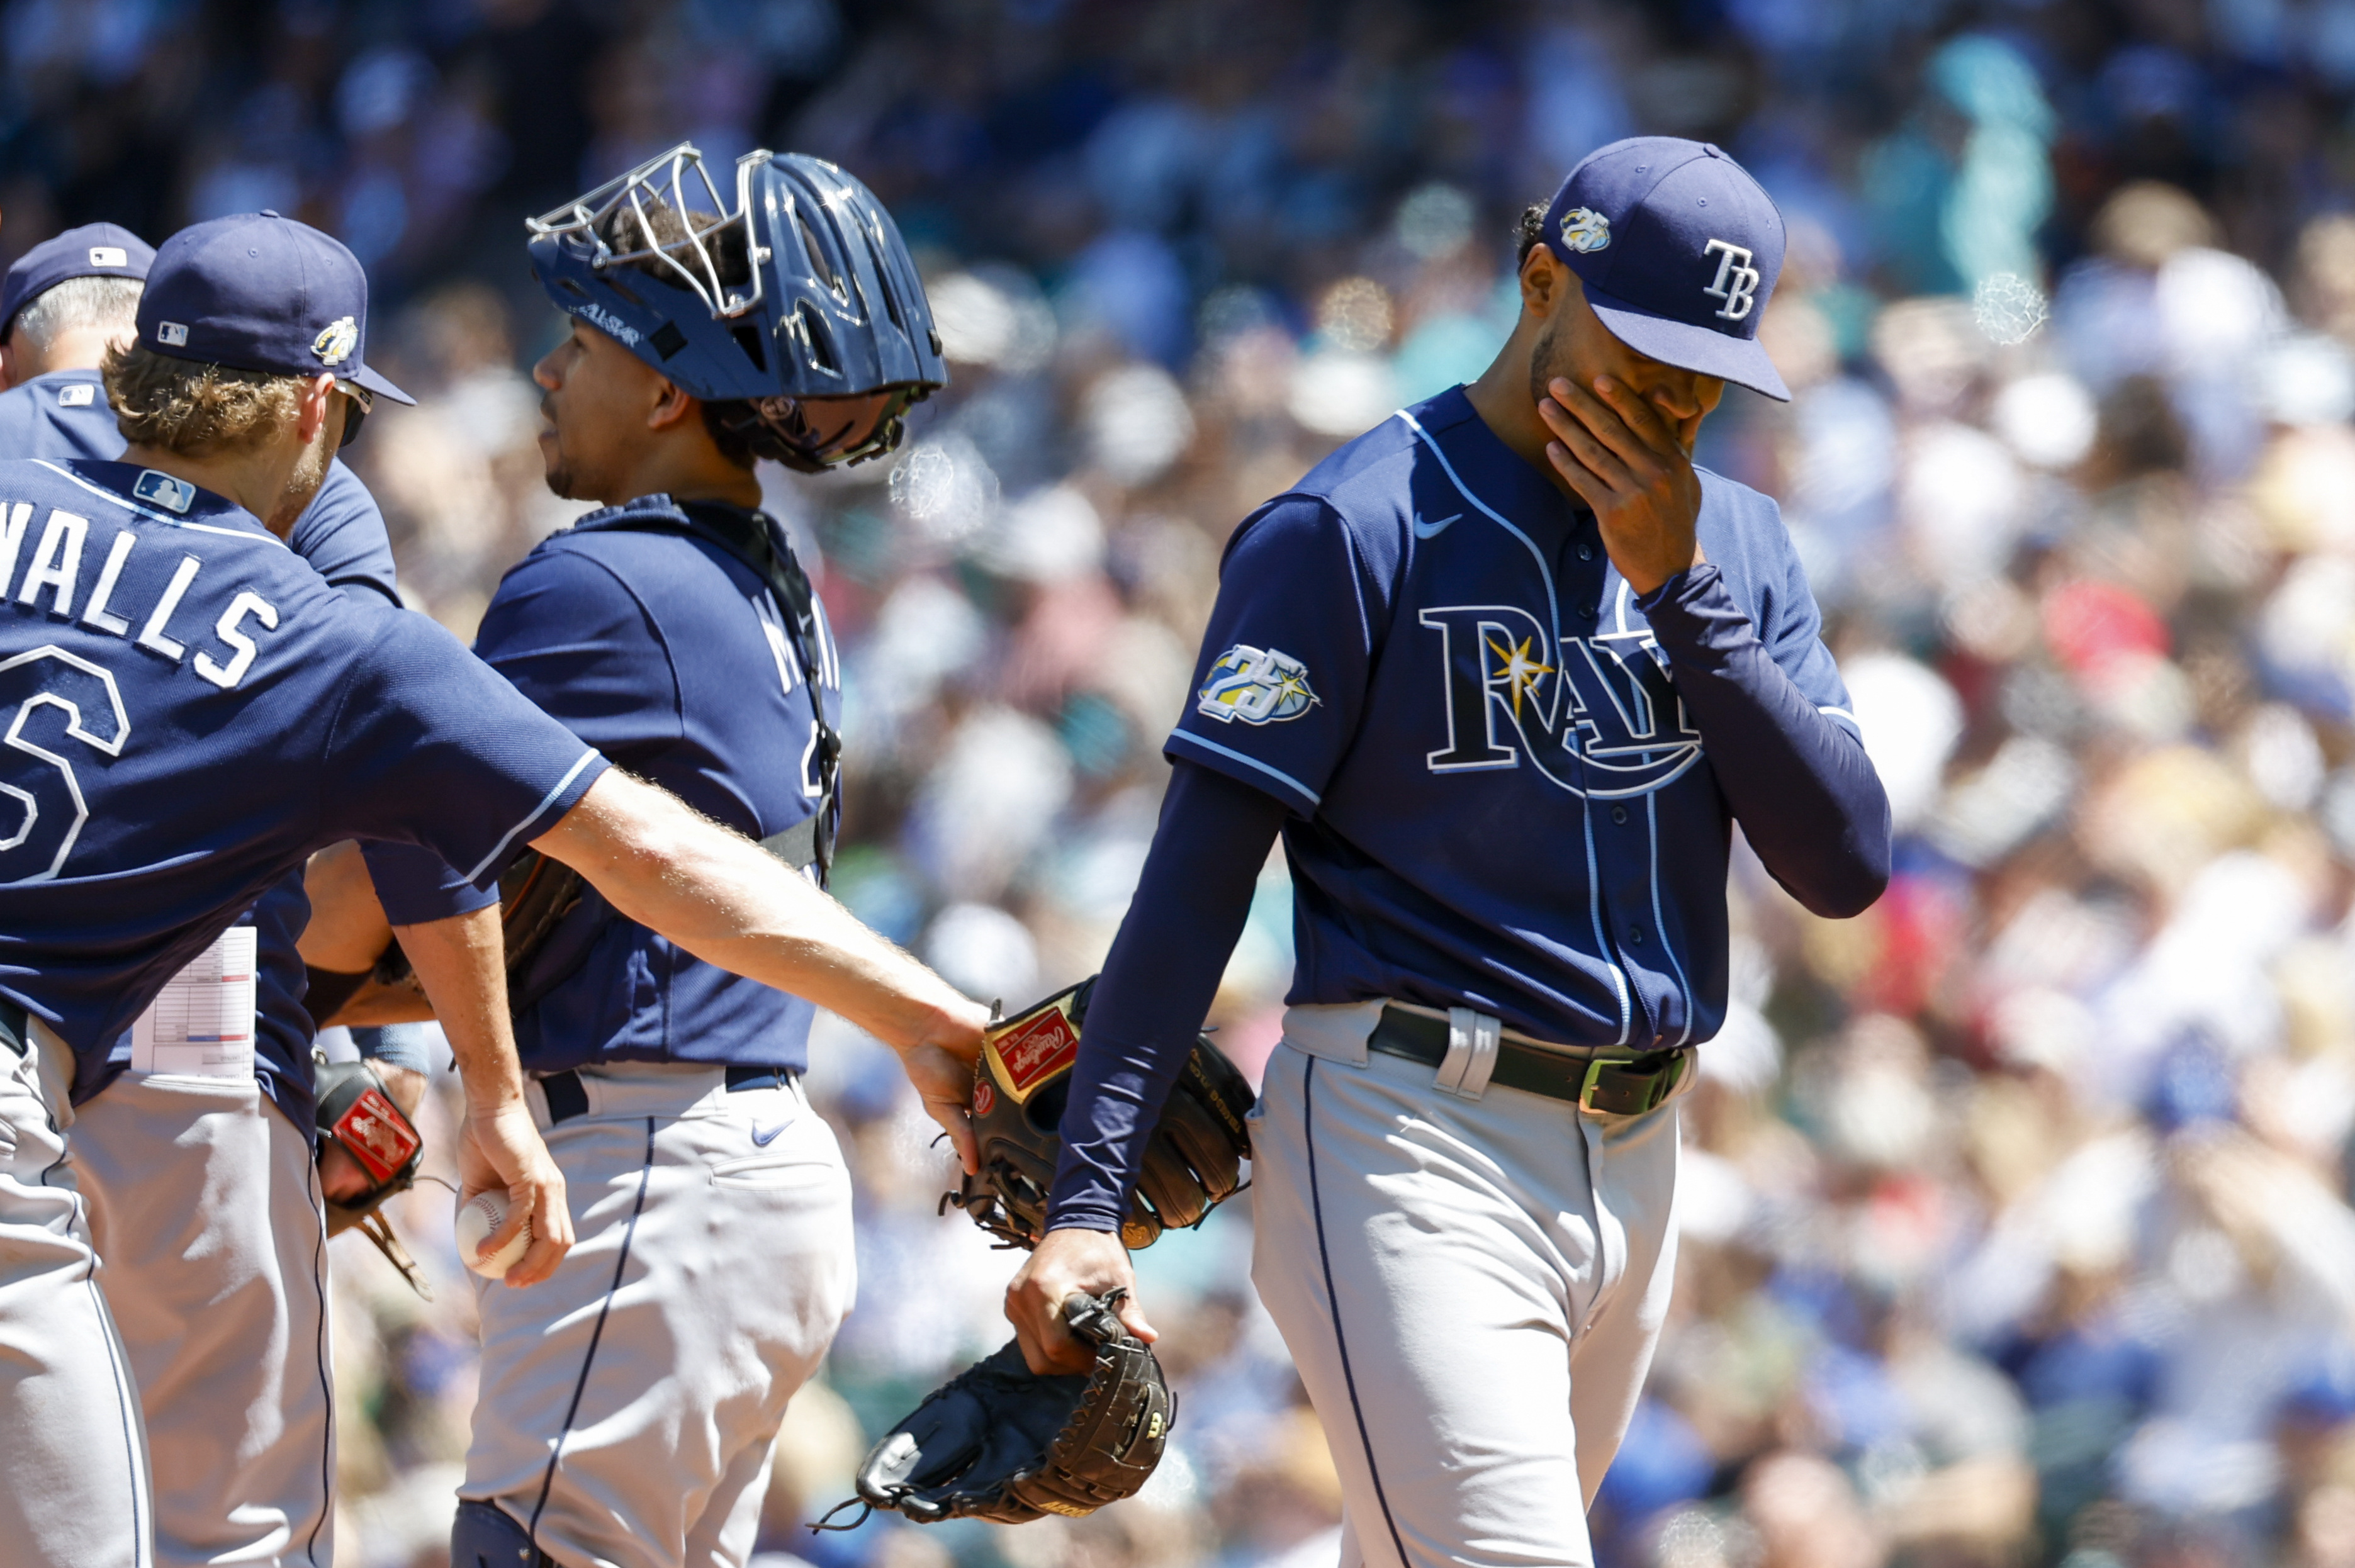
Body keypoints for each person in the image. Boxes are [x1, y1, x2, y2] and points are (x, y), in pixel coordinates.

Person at [0, 210, 983, 1566]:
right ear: (310, 408)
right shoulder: (324, 636)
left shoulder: (14, 452)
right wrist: (935, 1018)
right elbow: (655, 855)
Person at [1003, 137, 1893, 1566]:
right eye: (1644, 352)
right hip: (1411, 1136)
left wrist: (1684, 597)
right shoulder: (1351, 527)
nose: (1674, 402)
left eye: (1706, 371)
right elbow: (1193, 882)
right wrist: (1086, 1206)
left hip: (1643, 1147)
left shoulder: (1733, 541)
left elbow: (1841, 861)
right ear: (1540, 278)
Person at [324, 142, 950, 1568]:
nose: (546, 373)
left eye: (578, 340)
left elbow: (407, 870)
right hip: (733, 1163)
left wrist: (273, 985)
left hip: (653, 1162)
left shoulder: (601, 577)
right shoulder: (760, 577)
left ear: (667, 390)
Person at [0, 220, 453, 1566]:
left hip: (19, 1016)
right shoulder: (289, 473)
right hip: (199, 1032)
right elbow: (386, 774)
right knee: (226, 1529)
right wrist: (371, 1049)